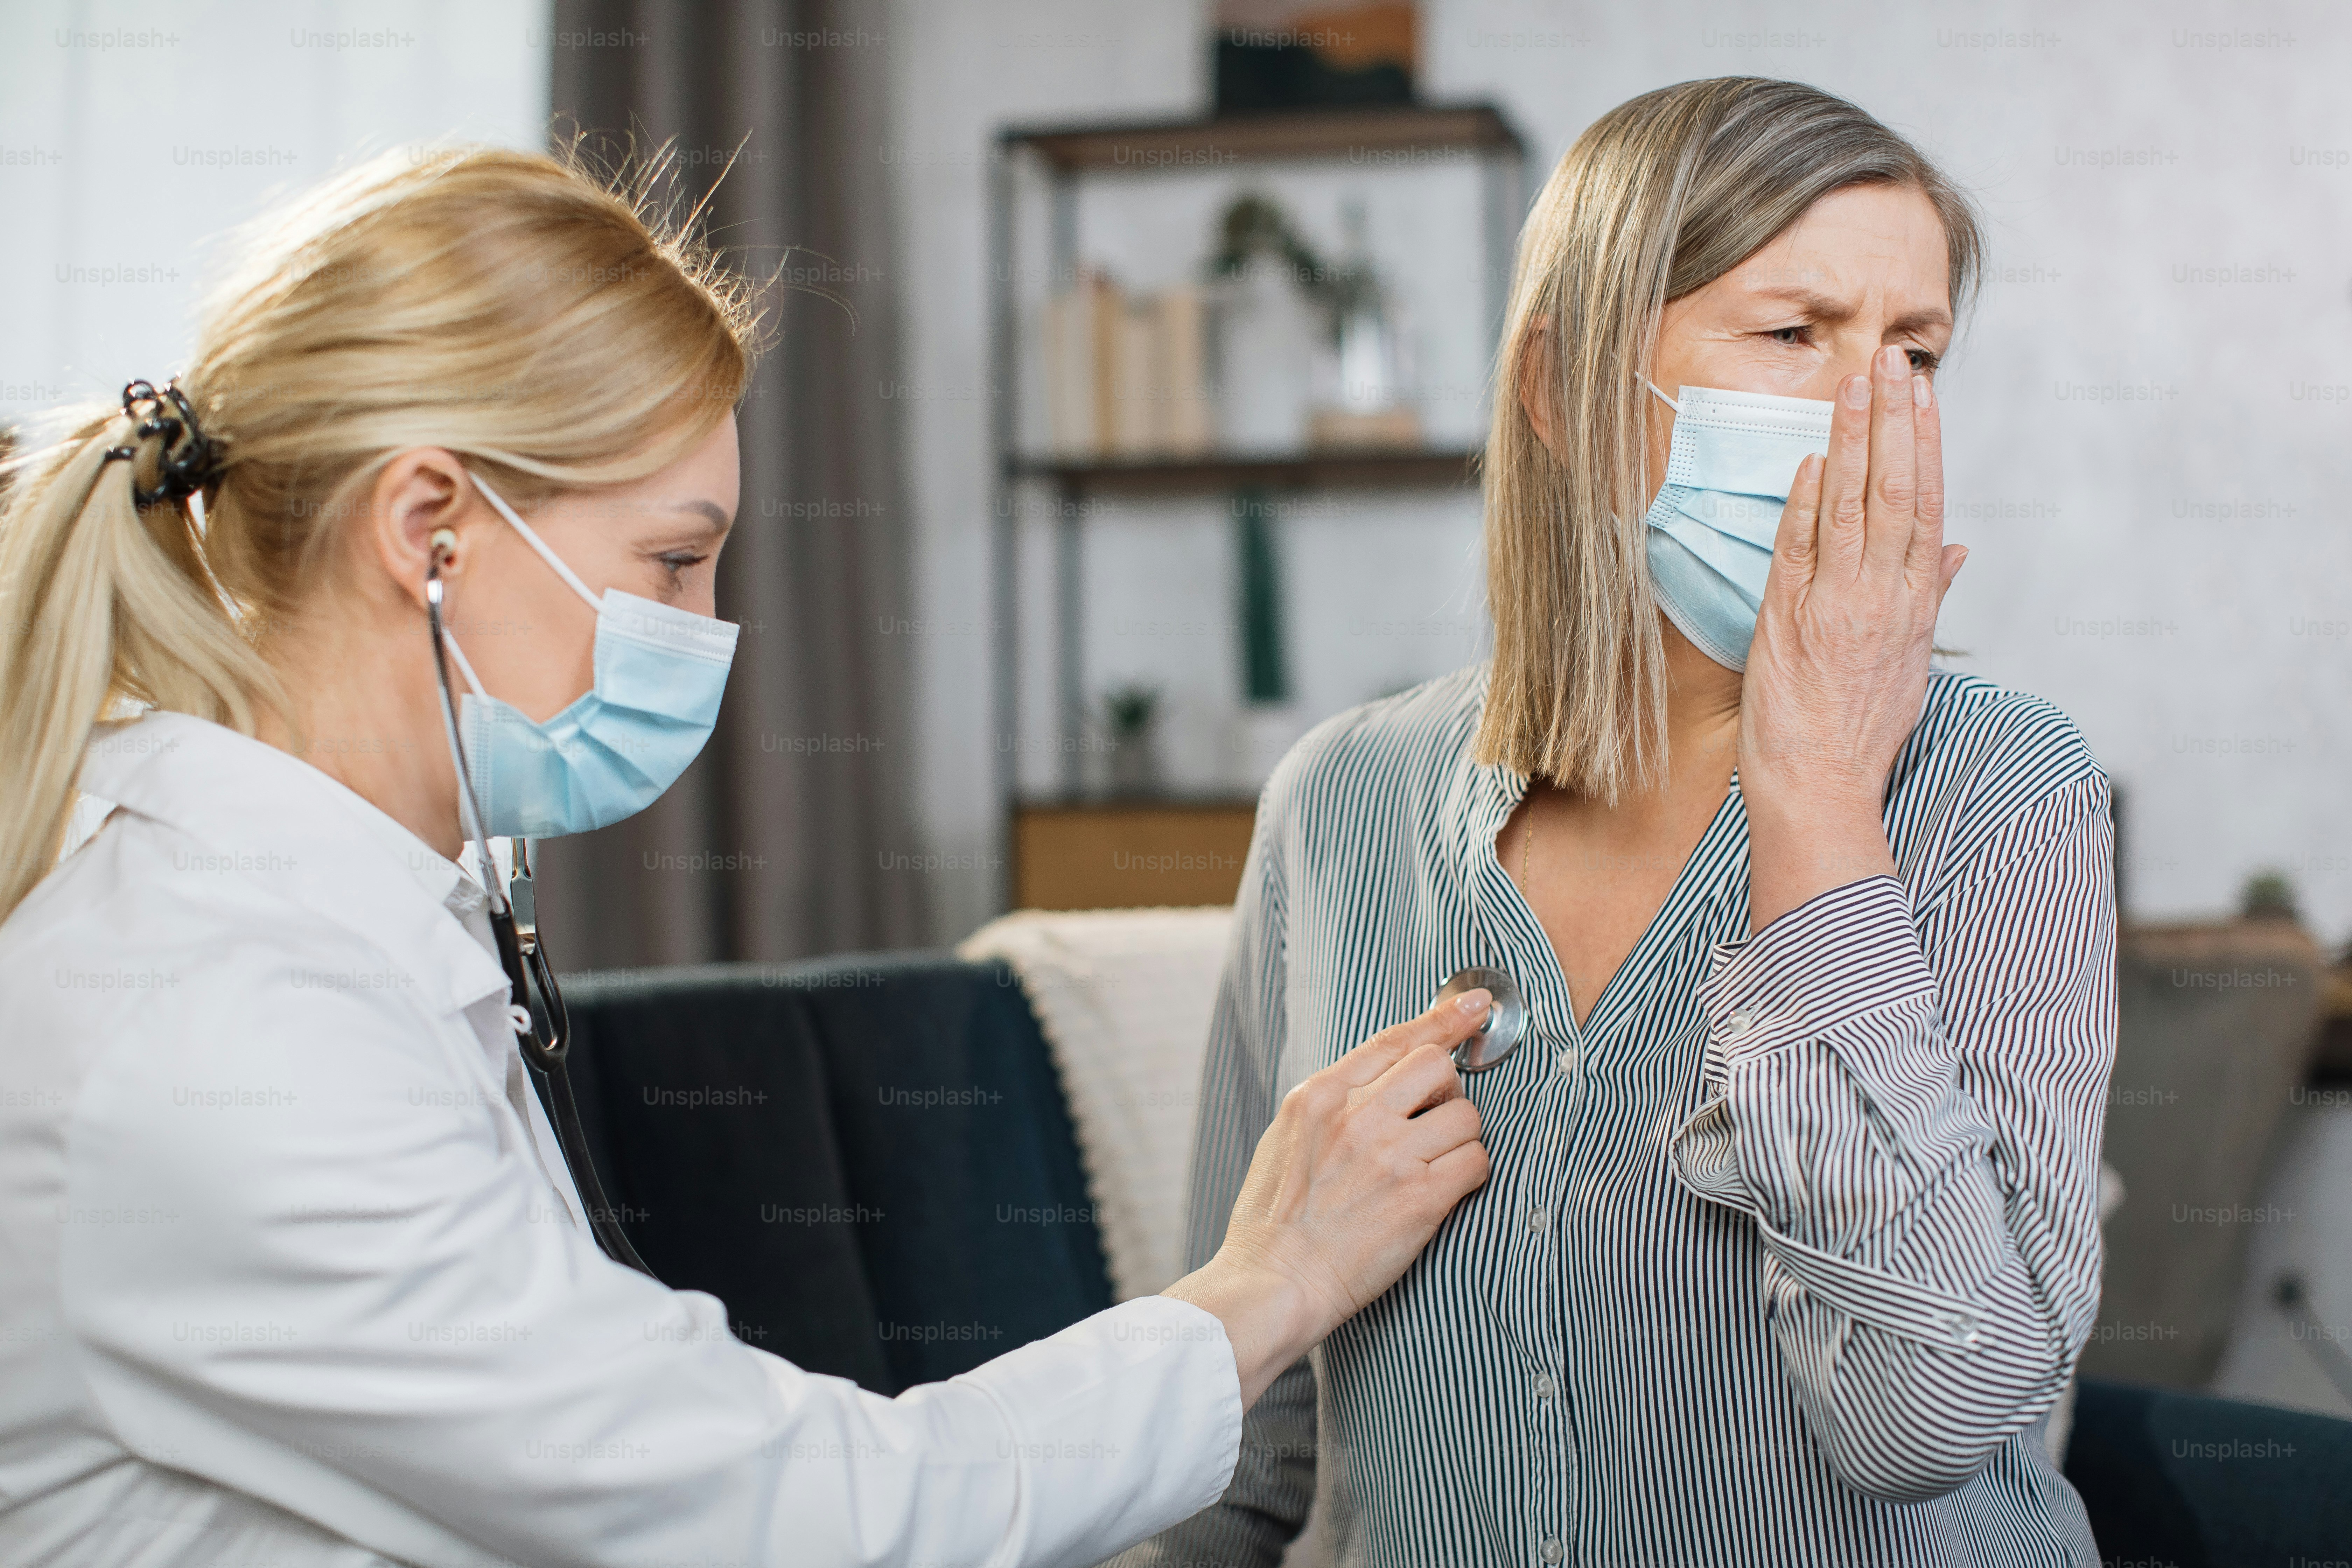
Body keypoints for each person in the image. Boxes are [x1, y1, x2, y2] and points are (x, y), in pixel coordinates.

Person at [0, 147, 1497, 1568]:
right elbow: (799, 1520)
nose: (706, 624)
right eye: (669, 557)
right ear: (430, 525)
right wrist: (1268, 1286)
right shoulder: (215, 1020)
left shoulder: (317, 933)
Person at [1118, 78, 2115, 1567]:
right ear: (1566, 390)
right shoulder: (1338, 803)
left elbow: (1930, 1409)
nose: (1875, 414)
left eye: (1914, 351)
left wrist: (1823, 804)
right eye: (1796, 333)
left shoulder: (2006, 787)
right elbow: (1247, 1439)